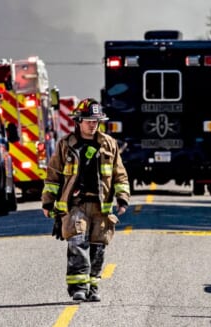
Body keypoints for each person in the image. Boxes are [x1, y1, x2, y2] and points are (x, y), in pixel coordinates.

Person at [41, 98, 130, 302]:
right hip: (75, 205)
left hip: (101, 206)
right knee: (77, 242)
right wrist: (48, 202)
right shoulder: (66, 145)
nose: (93, 124)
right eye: (89, 120)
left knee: (98, 247)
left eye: (96, 121)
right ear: (78, 121)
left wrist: (122, 198)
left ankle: (93, 286)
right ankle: (78, 287)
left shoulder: (109, 144)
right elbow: (53, 175)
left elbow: (120, 174)